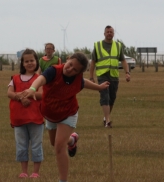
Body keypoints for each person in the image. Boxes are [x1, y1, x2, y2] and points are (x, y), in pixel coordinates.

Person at [17, 52, 110, 182]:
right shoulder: (54, 71)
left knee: (59, 147)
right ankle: (72, 140)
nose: (70, 69)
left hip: (68, 113)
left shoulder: (78, 79)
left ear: (78, 73)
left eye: (75, 70)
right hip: (50, 114)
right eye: (70, 64)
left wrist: (99, 87)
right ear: (67, 59)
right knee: (54, 142)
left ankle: (63, 180)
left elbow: (84, 83)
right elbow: (41, 79)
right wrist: (33, 88)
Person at [7, 48, 44, 178]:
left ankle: (35, 172)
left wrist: (27, 96)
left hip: (36, 118)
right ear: (22, 63)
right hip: (19, 119)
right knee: (21, 145)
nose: (29, 63)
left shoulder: (40, 78)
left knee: (36, 145)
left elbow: (41, 94)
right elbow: (9, 93)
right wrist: (20, 97)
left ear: (36, 62)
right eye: (26, 61)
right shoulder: (15, 78)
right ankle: (24, 171)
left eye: (32, 60)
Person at [89, 25, 131, 128]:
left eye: (111, 32)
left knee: (112, 98)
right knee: (105, 97)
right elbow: (93, 62)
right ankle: (108, 121)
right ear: (104, 33)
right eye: (107, 32)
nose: (109, 33)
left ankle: (105, 117)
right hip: (102, 75)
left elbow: (123, 60)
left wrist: (127, 72)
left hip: (114, 76)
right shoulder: (97, 45)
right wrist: (91, 77)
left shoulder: (118, 46)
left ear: (113, 34)